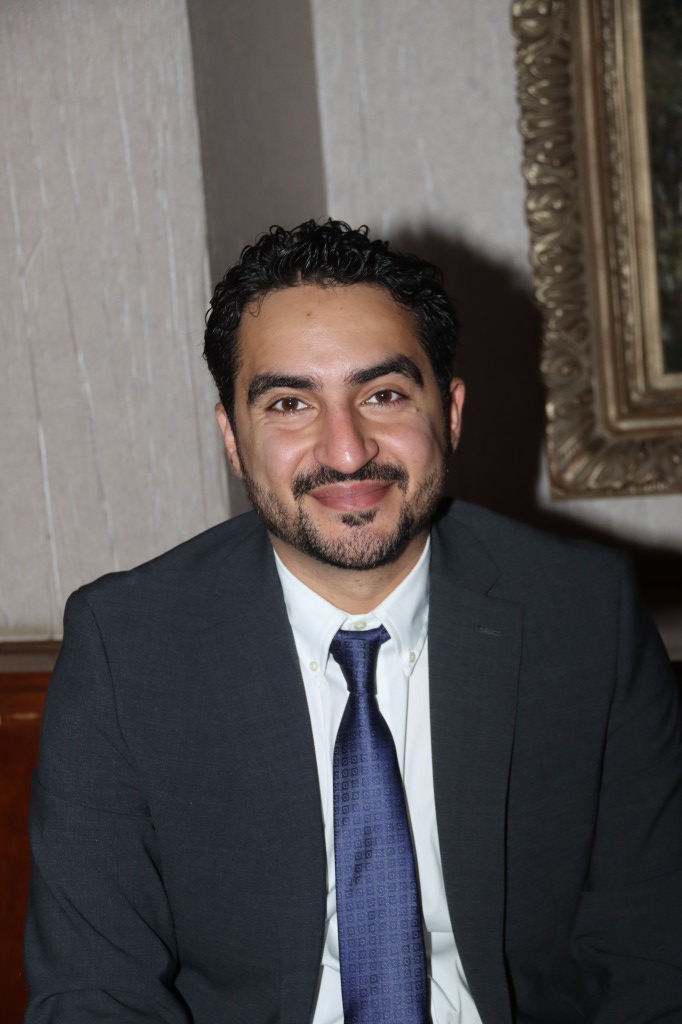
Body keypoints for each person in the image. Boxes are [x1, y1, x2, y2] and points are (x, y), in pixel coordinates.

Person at [24, 220, 682, 1024]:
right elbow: (92, 989)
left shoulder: (584, 616)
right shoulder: (126, 647)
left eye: (383, 395)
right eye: (289, 403)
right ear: (233, 438)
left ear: (451, 412)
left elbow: (653, 958)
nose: (345, 451)